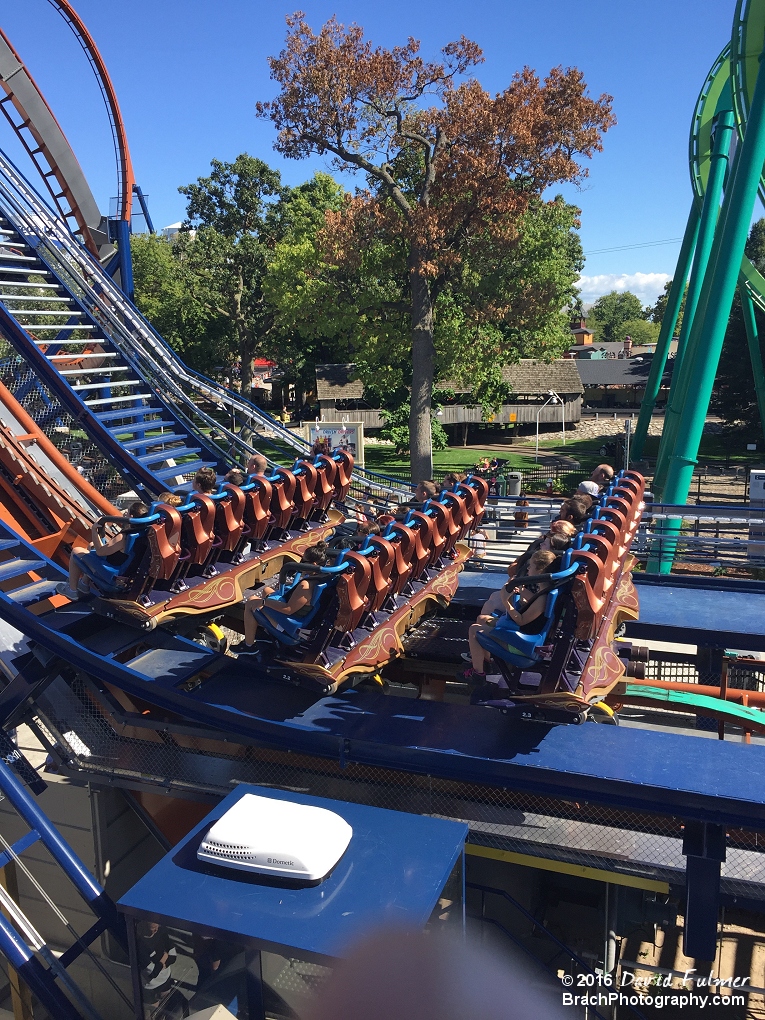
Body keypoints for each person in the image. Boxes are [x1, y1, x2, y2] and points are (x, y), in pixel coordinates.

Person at [458, 550, 558, 683]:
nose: (528, 568)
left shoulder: (543, 598)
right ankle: (485, 663)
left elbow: (521, 620)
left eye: (531, 566)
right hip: (519, 634)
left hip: (522, 644)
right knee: (482, 619)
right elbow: (530, 605)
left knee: (474, 630)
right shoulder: (544, 590)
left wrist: (506, 601)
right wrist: (520, 591)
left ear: (540, 571)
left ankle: (478, 674)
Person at [232, 541, 330, 654]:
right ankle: (267, 634)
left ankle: (249, 646)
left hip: (290, 626)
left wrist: (264, 602)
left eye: (303, 561)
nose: (300, 563)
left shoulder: (306, 586)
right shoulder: (322, 577)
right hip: (299, 614)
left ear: (313, 565)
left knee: (251, 602)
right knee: (266, 590)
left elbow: (288, 610)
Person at [57, 501, 150, 600]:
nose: (124, 514)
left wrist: (94, 530)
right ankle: (84, 584)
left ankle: (72, 591)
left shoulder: (123, 537)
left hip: (114, 578)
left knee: (76, 551)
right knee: (92, 545)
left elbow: (100, 552)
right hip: (125, 574)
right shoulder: (142, 534)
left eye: (126, 512)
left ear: (131, 516)